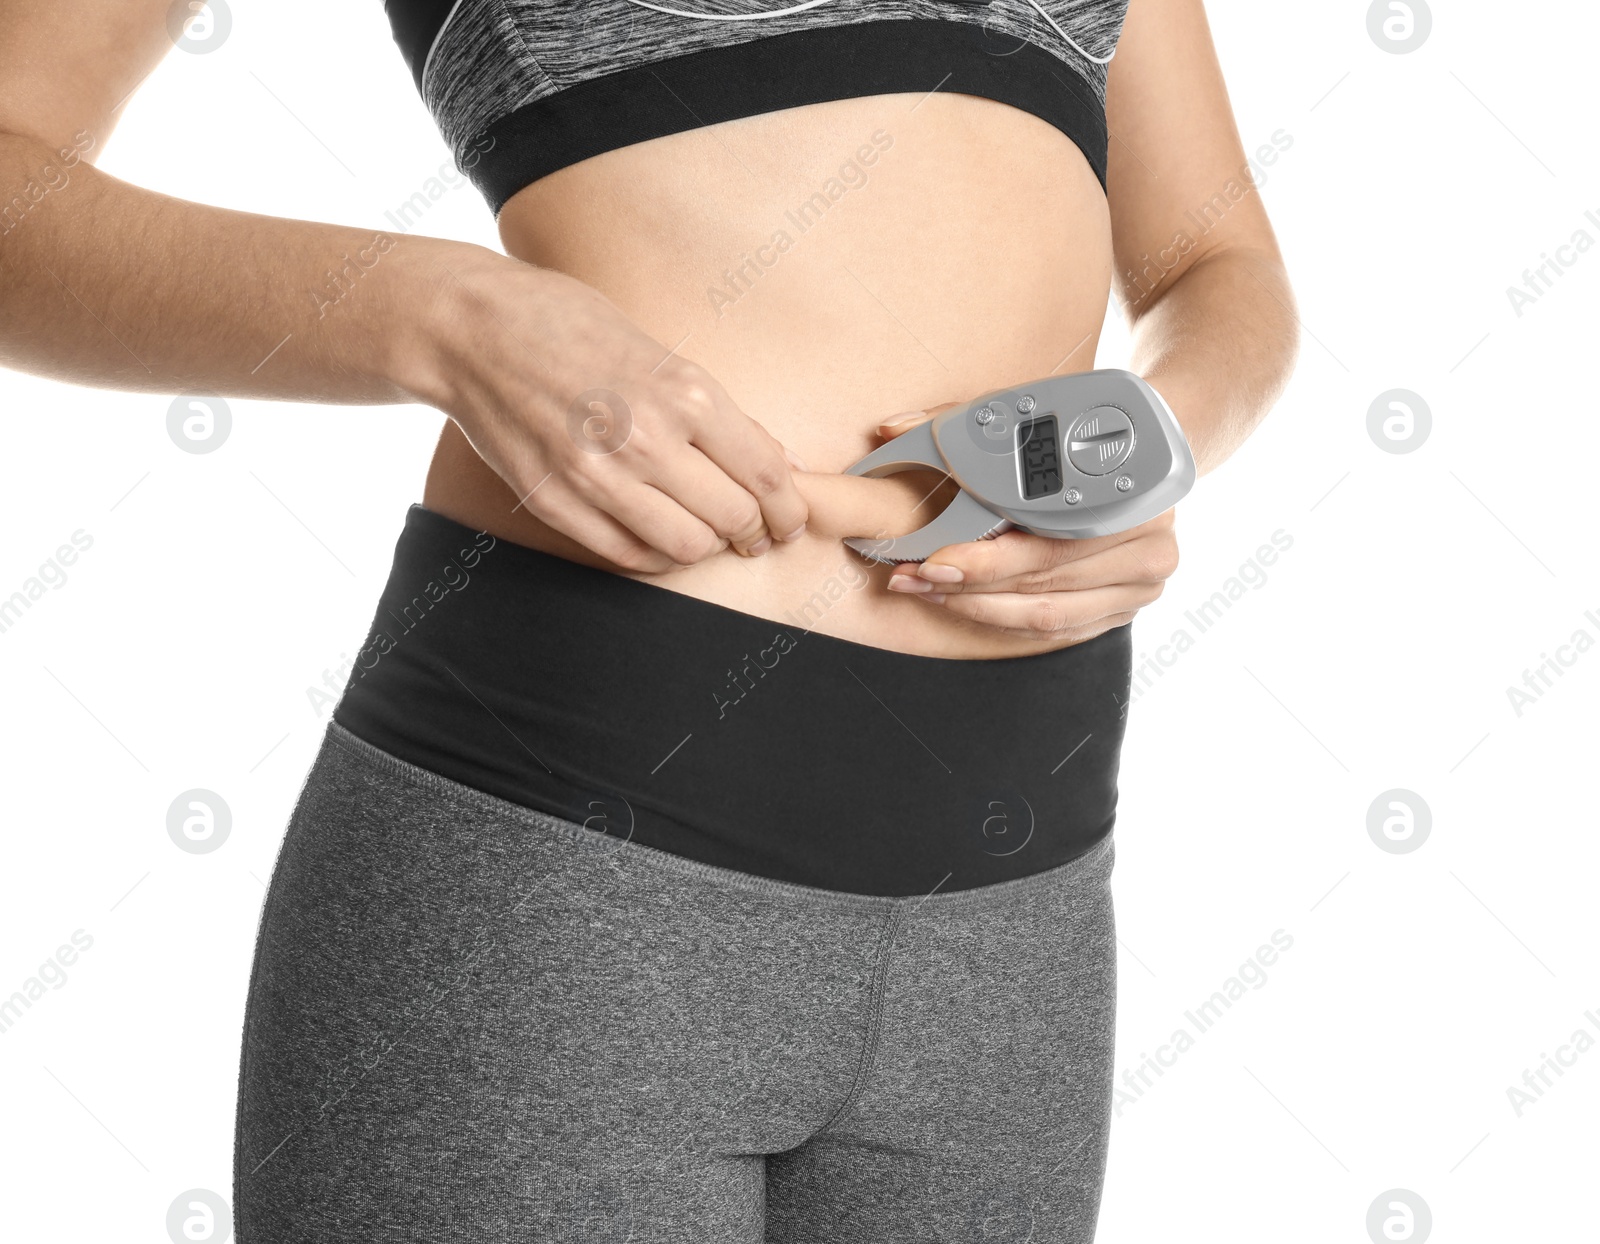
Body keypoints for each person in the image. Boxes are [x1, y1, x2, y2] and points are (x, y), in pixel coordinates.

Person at [0, 0, 1298, 1238]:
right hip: (568, 864)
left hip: (1024, 897)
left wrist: (1160, 435)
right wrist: (443, 318)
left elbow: (1215, 260)